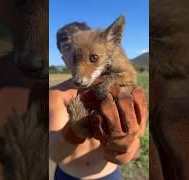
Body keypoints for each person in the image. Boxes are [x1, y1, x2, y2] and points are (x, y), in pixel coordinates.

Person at [49, 22, 148, 179]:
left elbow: (135, 148)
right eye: (69, 49)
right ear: (62, 56)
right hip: (68, 176)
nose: (78, 59)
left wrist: (130, 146)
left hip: (109, 175)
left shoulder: (117, 84)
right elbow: (55, 154)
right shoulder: (54, 95)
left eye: (92, 56)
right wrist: (74, 130)